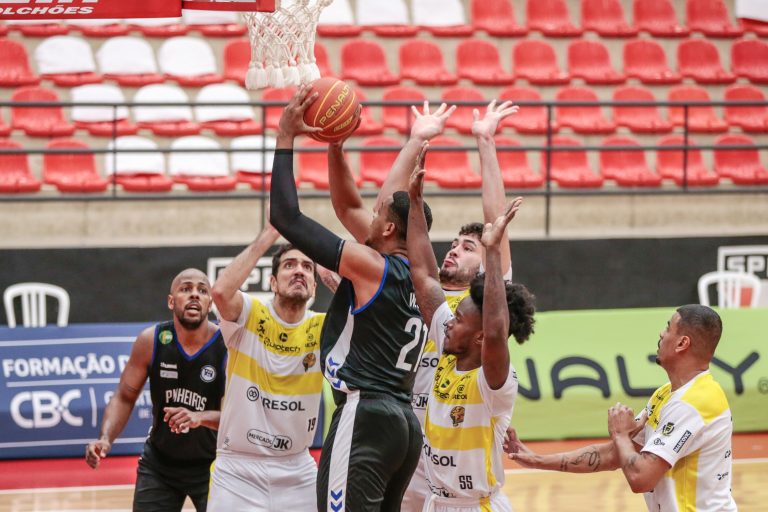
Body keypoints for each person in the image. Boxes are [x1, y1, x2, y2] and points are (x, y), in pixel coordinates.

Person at [270, 84, 433, 511]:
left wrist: (285, 136)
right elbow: (351, 206)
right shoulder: (425, 278)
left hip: (365, 414)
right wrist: (337, 146)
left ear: (389, 229)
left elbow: (286, 216)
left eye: (377, 214)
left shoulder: (373, 266)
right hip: (403, 424)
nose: (369, 214)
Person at [402, 101, 519, 512]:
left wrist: (485, 140)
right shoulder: (430, 298)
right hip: (412, 433)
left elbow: (495, 221)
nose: (454, 249)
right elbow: (419, 261)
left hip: (459, 434)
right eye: (453, 244)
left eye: (467, 247)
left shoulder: (486, 302)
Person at [507, 304, 737, 512]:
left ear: (682, 343)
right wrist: (537, 460)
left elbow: (640, 478)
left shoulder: (693, 403)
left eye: (668, 328)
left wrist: (620, 434)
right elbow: (614, 455)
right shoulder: (666, 394)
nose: (661, 333)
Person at [208, 219, 328, 511]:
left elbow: (363, 315)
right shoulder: (250, 312)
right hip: (238, 469)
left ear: (314, 286)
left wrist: (328, 268)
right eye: (289, 265)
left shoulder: (324, 326)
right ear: (272, 282)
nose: (299, 270)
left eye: (307, 267)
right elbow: (220, 292)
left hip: (297, 469)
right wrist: (270, 233)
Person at [85, 268, 226, 512]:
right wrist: (105, 438)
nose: (194, 294)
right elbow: (124, 397)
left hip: (214, 464)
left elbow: (239, 417)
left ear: (210, 303)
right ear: (171, 301)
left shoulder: (227, 345)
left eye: (202, 290)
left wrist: (199, 417)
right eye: (186, 289)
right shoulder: (151, 341)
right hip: (160, 465)